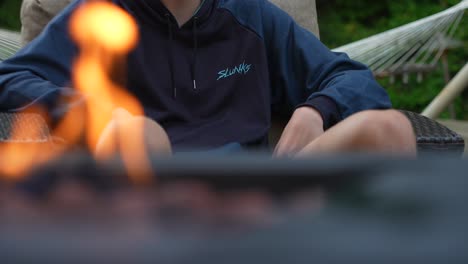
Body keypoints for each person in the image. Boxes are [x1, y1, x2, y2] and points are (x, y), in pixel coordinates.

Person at [0, 0, 416, 157]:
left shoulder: (253, 16)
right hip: (146, 195)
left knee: (389, 128)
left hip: (261, 198)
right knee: (142, 136)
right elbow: (12, 76)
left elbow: (356, 80)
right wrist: (89, 109)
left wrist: (316, 111)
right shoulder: (99, 17)